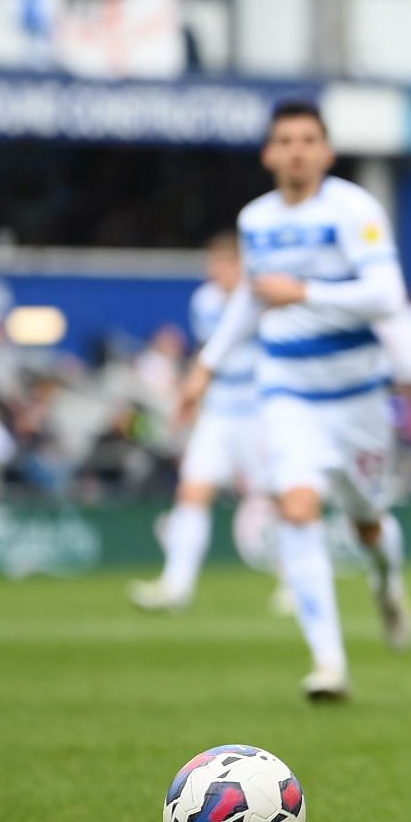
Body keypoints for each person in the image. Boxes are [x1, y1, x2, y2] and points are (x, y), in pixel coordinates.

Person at [178, 101, 411, 702]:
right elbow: (253, 300)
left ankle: (388, 585)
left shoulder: (353, 209)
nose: (296, 151)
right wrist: (206, 364)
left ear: (327, 152)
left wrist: (305, 291)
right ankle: (329, 664)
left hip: (358, 394)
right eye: (284, 141)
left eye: (308, 140)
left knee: (368, 522)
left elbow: (388, 296)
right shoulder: (255, 219)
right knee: (300, 506)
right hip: (286, 389)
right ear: (268, 154)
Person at [130, 233, 286, 614]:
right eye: (212, 265)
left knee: (279, 498)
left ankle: (296, 582)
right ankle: (177, 586)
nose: (214, 272)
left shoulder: (265, 299)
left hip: (257, 410)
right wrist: (193, 397)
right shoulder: (205, 302)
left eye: (222, 264)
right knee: (193, 491)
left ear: (239, 265)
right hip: (218, 411)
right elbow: (208, 354)